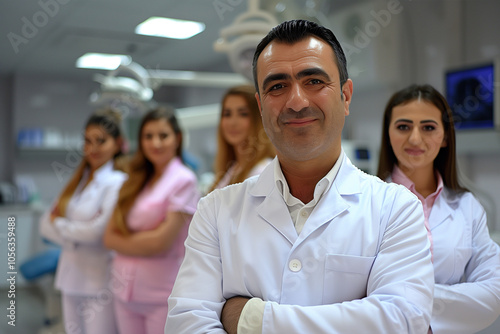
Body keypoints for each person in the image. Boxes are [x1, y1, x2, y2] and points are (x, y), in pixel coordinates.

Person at [166, 19, 434, 334]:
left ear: (346, 96)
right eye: (277, 86)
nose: (296, 102)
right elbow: (187, 324)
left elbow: (403, 321)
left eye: (314, 81)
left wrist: (253, 319)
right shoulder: (215, 211)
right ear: (261, 106)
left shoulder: (397, 210)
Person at [377, 84, 500, 334]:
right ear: (388, 134)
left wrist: (401, 303)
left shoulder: (468, 207)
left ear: (445, 137)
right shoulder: (366, 202)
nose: (415, 138)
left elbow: (493, 292)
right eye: (403, 127)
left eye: (428, 127)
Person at [103, 107, 199, 334]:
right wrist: (143, 241)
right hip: (123, 289)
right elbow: (108, 236)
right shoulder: (135, 179)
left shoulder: (184, 179)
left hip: (160, 295)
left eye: (163, 136)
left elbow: (161, 243)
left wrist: (125, 241)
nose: (155, 143)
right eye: (148, 136)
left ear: (177, 138)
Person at [39, 108, 127, 334]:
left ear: (117, 144)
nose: (93, 148)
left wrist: (60, 224)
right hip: (69, 277)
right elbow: (43, 225)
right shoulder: (78, 181)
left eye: (101, 141)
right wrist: (75, 232)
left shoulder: (117, 182)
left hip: (98, 281)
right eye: (87, 141)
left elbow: (98, 233)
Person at [209, 85, 275, 192]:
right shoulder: (233, 168)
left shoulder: (262, 171)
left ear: (259, 119)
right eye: (227, 114)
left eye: (243, 114)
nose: (233, 122)